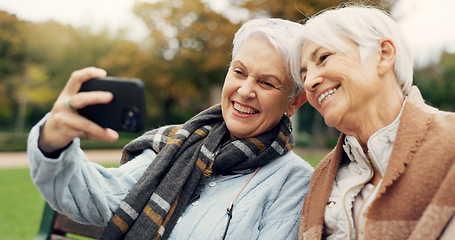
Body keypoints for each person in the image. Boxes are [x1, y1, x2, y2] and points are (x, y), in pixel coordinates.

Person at [27, 18, 313, 240]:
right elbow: (98, 197)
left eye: (267, 83)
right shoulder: (175, 144)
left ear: (294, 102)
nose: (245, 90)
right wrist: (53, 143)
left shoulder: (294, 182)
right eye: (239, 72)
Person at [291, 5, 455, 240]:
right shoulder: (319, 178)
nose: (309, 82)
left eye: (324, 57)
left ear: (384, 55)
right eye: (304, 74)